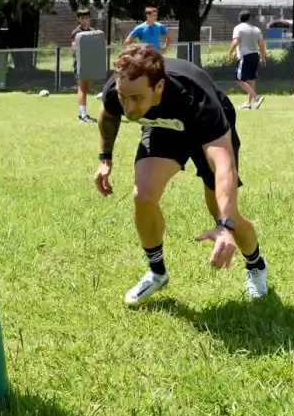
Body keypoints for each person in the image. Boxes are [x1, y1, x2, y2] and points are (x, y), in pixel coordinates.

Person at [93, 44, 269, 306]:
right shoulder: (120, 89)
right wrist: (105, 158)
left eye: (137, 98)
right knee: (143, 194)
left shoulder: (198, 99)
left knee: (221, 210)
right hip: (164, 128)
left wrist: (225, 226)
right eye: (123, 97)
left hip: (205, 131)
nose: (128, 108)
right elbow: (108, 116)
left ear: (159, 87)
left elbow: (224, 165)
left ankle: (256, 264)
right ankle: (157, 272)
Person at [227, 10, 266, 109]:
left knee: (239, 80)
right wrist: (263, 57)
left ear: (239, 18)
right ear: (249, 18)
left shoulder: (238, 28)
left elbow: (235, 41)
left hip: (244, 56)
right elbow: (261, 43)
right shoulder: (256, 29)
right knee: (251, 79)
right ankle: (248, 103)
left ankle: (257, 97)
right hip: (254, 56)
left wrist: (230, 54)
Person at [71, 8, 97, 123]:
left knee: (86, 88)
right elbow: (74, 47)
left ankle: (82, 112)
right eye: (82, 18)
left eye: (87, 17)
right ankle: (83, 115)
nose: (85, 20)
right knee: (82, 88)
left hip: (91, 63)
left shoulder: (93, 31)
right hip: (80, 63)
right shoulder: (76, 32)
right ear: (78, 20)